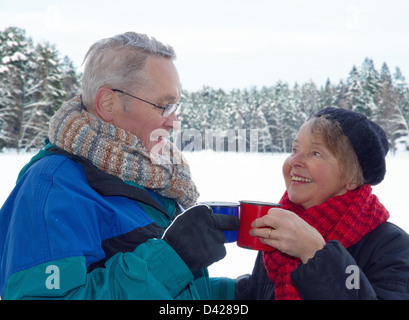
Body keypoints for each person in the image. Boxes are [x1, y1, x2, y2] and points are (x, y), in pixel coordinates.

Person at [0, 32, 239, 300]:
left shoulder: (153, 178)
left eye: (176, 107)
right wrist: (172, 258)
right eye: (163, 106)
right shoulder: (52, 187)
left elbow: (173, 292)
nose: (174, 122)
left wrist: (240, 294)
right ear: (108, 103)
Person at [236, 107, 409, 300]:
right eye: (295, 149)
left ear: (352, 177)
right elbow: (254, 293)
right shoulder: (279, 229)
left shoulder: (392, 248)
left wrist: (315, 254)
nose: (294, 160)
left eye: (315, 153)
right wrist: (196, 264)